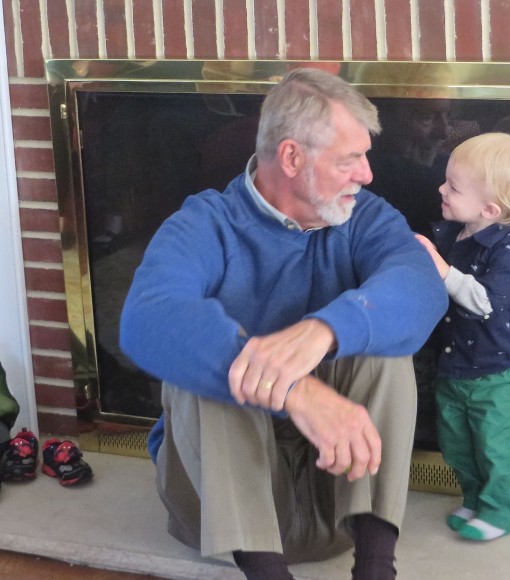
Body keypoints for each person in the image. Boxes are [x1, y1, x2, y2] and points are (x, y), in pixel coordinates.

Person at [120, 67, 448, 579]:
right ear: (292, 157)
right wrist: (293, 387)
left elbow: (420, 284)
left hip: (331, 497)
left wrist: (325, 330)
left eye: (364, 155)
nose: (367, 174)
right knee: (215, 365)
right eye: (350, 159)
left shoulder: (364, 217)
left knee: (382, 346)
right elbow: (147, 318)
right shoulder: (205, 222)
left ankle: (377, 569)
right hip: (215, 510)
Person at [415, 132, 510, 541]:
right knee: (456, 444)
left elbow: (486, 301)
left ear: (490, 208)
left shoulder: (507, 249)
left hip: (497, 370)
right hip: (455, 364)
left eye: (453, 186)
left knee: (494, 446)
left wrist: (442, 270)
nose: (441, 189)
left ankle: (498, 510)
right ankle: (472, 500)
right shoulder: (455, 233)